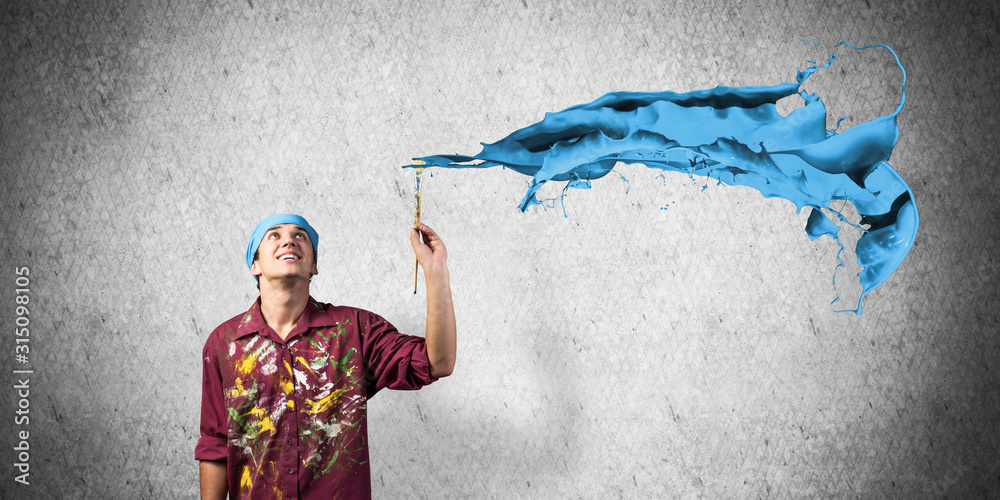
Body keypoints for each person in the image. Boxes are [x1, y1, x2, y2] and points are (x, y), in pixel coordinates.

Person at [195, 214, 456, 500]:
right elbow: (215, 445)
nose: (289, 240)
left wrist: (436, 271)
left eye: (300, 235)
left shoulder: (355, 330)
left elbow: (437, 362)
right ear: (254, 265)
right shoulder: (223, 344)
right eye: (274, 235)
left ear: (314, 266)